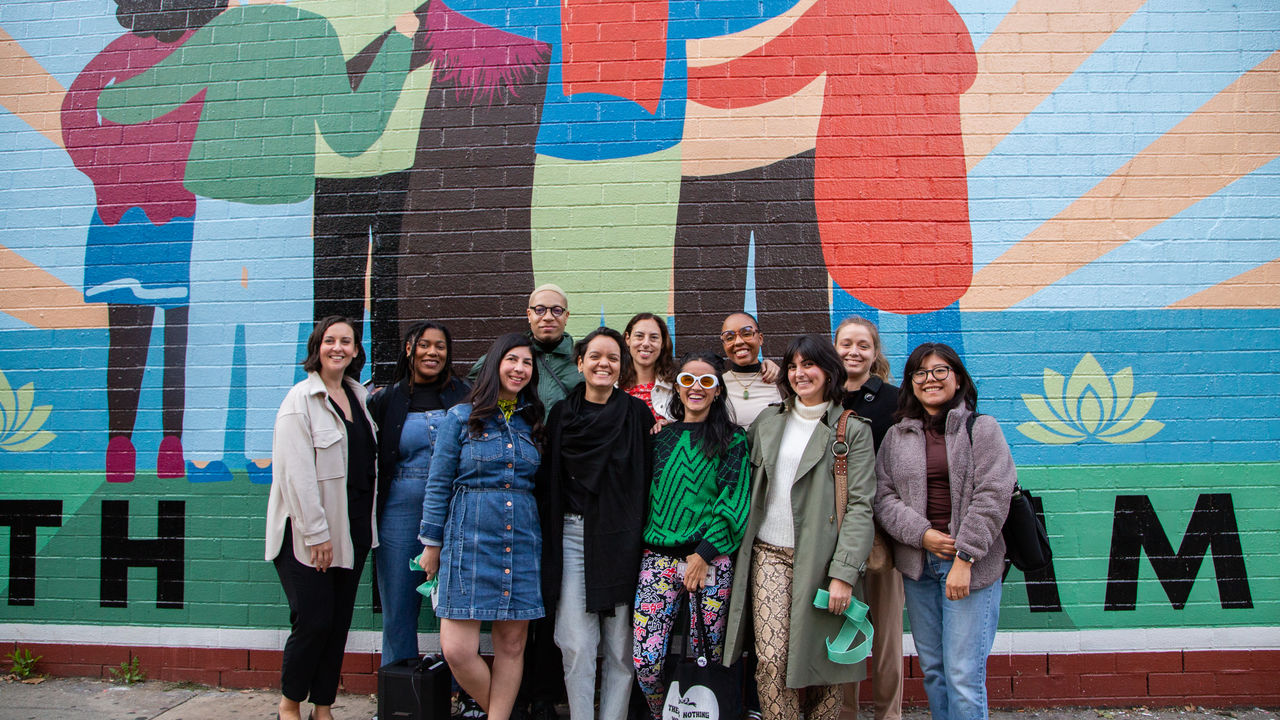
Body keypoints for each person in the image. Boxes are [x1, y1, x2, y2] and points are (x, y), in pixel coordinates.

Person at [723, 335, 876, 720]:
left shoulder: (852, 430)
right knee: (771, 661)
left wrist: (844, 574)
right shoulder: (768, 420)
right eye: (792, 366)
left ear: (829, 371)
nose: (799, 373)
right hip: (768, 555)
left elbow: (860, 507)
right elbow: (732, 465)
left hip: (824, 562)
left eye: (809, 364)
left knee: (827, 667)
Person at [874, 343, 1015, 720]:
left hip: (970, 568)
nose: (930, 379)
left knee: (963, 675)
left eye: (940, 371)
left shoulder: (982, 428)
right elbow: (883, 497)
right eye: (920, 373)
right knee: (935, 672)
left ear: (958, 378)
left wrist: (965, 558)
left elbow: (994, 493)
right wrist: (922, 534)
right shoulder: (896, 436)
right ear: (910, 383)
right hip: (918, 568)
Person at [417, 333, 546, 720]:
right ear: (494, 364)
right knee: (457, 650)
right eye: (512, 360)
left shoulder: (533, 422)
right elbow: (438, 483)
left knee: (512, 645)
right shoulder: (461, 417)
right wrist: (431, 544)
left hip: (521, 539)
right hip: (467, 540)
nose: (520, 369)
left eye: (527, 363)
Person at [265, 316, 379, 720]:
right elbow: (294, 474)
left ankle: (323, 706)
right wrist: (316, 534)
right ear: (317, 346)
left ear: (355, 350)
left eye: (346, 341)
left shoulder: (360, 398)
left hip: (353, 530)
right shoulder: (300, 400)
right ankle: (289, 705)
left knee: (337, 623)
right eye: (330, 340)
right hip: (308, 534)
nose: (338, 348)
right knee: (313, 621)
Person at [538, 327, 654, 720]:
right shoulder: (562, 414)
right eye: (595, 356)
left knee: (621, 647)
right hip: (572, 535)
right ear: (580, 363)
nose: (604, 364)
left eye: (613, 358)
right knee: (576, 642)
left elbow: (648, 477)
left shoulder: (637, 415)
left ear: (622, 367)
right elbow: (549, 481)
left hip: (622, 540)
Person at [632, 352, 750, 718]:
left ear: (718, 391)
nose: (696, 388)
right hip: (658, 559)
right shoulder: (660, 437)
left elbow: (734, 502)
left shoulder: (733, 439)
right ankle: (663, 714)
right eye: (687, 380)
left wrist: (703, 554)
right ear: (677, 388)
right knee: (646, 660)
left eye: (706, 381)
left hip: (710, 559)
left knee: (707, 658)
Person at [368, 322, 470, 667]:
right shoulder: (385, 400)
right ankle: (398, 686)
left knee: (458, 604)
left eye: (440, 346)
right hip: (399, 508)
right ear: (409, 349)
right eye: (424, 345)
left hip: (456, 507)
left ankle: (459, 687)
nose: (432, 352)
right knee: (398, 604)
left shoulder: (466, 395)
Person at [833, 316, 904, 720]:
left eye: (863, 345)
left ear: (875, 353)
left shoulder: (896, 400)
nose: (853, 352)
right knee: (844, 628)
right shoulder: (822, 397)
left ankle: (888, 714)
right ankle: (844, 712)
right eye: (846, 343)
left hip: (883, 534)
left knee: (887, 632)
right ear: (834, 348)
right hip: (835, 535)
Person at [472, 283, 582, 415]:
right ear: (529, 315)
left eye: (557, 310)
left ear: (566, 316)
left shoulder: (581, 362)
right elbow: (471, 388)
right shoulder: (505, 356)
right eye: (540, 310)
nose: (548, 317)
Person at [719, 312, 782, 428]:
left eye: (746, 334)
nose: (738, 342)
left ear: (760, 339)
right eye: (729, 338)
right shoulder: (718, 385)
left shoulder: (778, 380)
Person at [619, 312, 676, 420]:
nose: (646, 343)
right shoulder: (613, 385)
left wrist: (671, 425)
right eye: (639, 336)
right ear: (627, 339)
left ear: (662, 342)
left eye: (654, 337)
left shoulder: (676, 387)